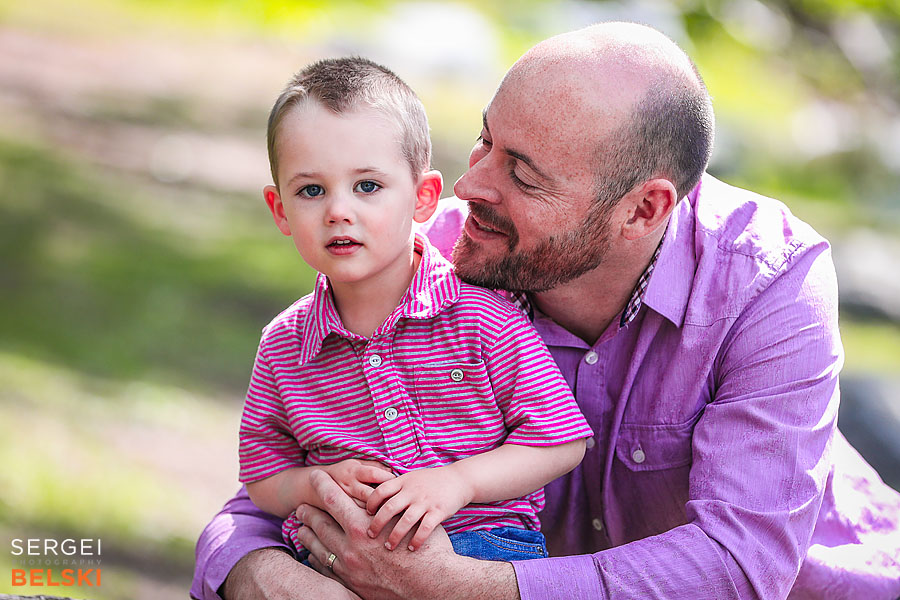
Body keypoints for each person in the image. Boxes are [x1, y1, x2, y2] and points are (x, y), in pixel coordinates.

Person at [192, 22, 900, 600]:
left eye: (522, 173)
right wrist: (267, 579)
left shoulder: (769, 286)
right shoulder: (443, 267)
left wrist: (456, 586)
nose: (471, 183)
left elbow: (739, 567)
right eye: (485, 139)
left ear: (642, 210)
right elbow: (273, 492)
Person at [233, 55, 593, 592]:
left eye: (368, 187)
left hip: (480, 554)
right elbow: (263, 475)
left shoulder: (483, 318)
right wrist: (311, 484)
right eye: (311, 191)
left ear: (424, 197)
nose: (338, 211)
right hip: (333, 561)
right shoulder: (285, 347)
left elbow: (560, 441)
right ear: (280, 209)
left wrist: (458, 482)